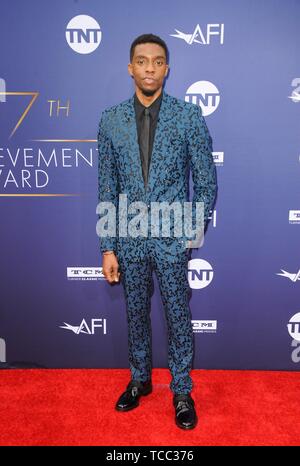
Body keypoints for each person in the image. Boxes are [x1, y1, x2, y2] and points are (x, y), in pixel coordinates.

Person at [97, 33, 217, 430]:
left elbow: (206, 180)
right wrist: (107, 247)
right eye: (142, 61)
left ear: (167, 68)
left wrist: (190, 232)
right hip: (128, 237)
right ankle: (140, 379)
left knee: (178, 314)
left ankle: (181, 389)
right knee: (135, 313)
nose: (150, 68)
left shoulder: (188, 116)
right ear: (130, 67)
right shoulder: (110, 119)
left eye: (158, 61)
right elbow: (107, 187)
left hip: (171, 237)